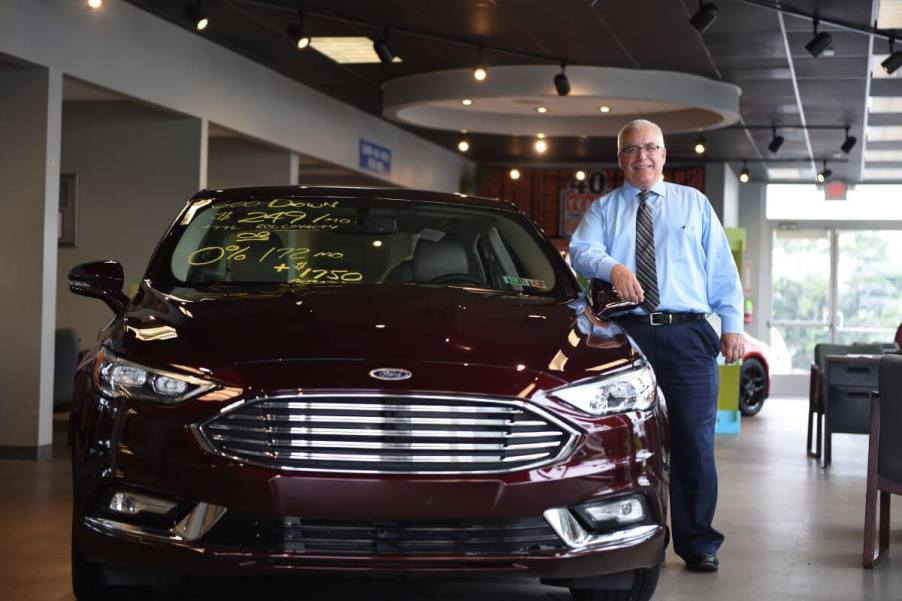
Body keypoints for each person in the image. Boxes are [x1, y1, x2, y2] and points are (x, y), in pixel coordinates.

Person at [569, 119, 744, 573]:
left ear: (664, 155)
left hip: (688, 336)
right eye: (632, 150)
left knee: (693, 441)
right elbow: (580, 250)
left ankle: (698, 542)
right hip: (627, 338)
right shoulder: (605, 209)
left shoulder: (694, 204)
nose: (642, 156)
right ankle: (622, 536)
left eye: (650, 148)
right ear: (620, 159)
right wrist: (613, 268)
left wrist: (732, 325)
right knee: (622, 441)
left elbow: (723, 270)